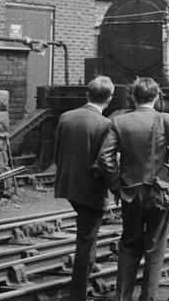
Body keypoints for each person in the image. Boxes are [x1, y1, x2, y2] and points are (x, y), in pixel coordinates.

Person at [98, 78, 169, 301]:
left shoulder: (120, 122)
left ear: (132, 97)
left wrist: (116, 185)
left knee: (129, 245)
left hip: (130, 193)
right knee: (155, 247)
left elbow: (105, 157)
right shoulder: (167, 120)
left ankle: (122, 297)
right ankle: (148, 297)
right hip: (159, 193)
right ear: (157, 96)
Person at [54, 75, 114, 300]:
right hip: (90, 188)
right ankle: (78, 294)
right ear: (108, 100)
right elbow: (105, 162)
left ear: (88, 94)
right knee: (86, 240)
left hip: (69, 185)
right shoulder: (105, 124)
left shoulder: (65, 117)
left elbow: (58, 153)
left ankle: (90, 265)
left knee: (87, 233)